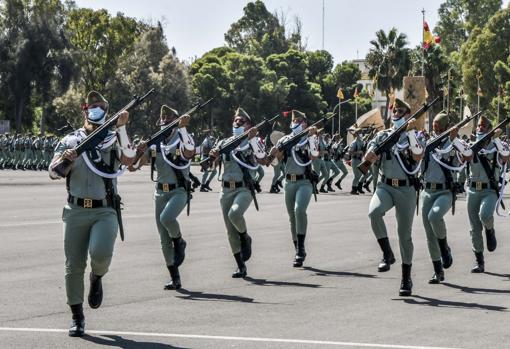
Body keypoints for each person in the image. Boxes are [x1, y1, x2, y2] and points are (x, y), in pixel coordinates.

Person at [49, 91, 136, 337]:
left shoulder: (112, 138)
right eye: (93, 106)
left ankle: (97, 277)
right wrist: (67, 160)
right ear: (84, 109)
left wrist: (122, 129)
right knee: (73, 266)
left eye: (102, 106)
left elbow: (129, 160)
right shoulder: (70, 140)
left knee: (101, 253)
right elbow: (53, 172)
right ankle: (77, 316)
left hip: (104, 209)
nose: (96, 109)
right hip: (75, 210)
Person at [364, 98, 424, 296]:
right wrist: (370, 154)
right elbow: (369, 152)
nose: (395, 114)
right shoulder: (382, 135)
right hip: (386, 186)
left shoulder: (415, 136)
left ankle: (406, 278)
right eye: (394, 111)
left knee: (404, 235)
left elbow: (417, 156)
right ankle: (387, 253)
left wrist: (409, 133)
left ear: (408, 115)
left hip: (406, 190)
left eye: (399, 111)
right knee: (373, 213)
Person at [131, 105, 195, 290]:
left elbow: (190, 152)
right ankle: (175, 278)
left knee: (166, 218)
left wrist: (183, 128)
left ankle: (179, 241)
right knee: (162, 237)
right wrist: (138, 152)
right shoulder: (155, 143)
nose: (164, 119)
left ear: (176, 121)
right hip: (160, 192)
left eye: (169, 117)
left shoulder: (182, 138)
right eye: (163, 117)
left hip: (179, 191)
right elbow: (134, 166)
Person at [208, 107, 268, 278]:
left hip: (244, 187)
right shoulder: (224, 142)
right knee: (229, 230)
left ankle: (245, 237)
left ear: (249, 125)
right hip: (225, 189)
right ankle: (240, 266)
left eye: (242, 121)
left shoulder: (253, 142)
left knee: (235, 214)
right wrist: (213, 156)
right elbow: (212, 163)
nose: (237, 123)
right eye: (235, 120)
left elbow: (263, 160)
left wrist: (254, 138)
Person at [268, 110, 319, 267]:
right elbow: (275, 161)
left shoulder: (309, 138)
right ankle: (298, 250)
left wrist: (311, 137)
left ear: (305, 123)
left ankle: (301, 247)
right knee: (292, 217)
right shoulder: (284, 140)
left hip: (304, 182)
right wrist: (274, 153)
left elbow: (314, 155)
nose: (297, 123)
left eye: (300, 120)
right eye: (295, 120)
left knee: (299, 210)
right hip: (289, 182)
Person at [465, 116, 509, 273]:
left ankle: (490, 230)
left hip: (489, 190)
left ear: (489, 129)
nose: (479, 129)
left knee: (485, 215)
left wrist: (496, 140)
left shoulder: (498, 146)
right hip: (472, 190)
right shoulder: (470, 145)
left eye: (483, 127)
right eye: (478, 126)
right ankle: (479, 261)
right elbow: (463, 158)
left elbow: (505, 158)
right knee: (474, 228)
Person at [420, 112, 458, 284]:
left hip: (444, 192)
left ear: (444, 126)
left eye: (437, 124)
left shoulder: (452, 144)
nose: (434, 126)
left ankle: (444, 247)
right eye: (433, 123)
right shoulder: (427, 142)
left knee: (434, 216)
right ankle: (438, 271)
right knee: (429, 234)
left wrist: (452, 140)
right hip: (427, 191)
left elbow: (460, 160)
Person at [349, 128, 365, 195]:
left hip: (360, 160)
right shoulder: (354, 142)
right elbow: (350, 152)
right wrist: (358, 152)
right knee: (356, 176)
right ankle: (353, 190)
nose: (361, 134)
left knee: (360, 175)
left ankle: (356, 188)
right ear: (357, 134)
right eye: (360, 133)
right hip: (355, 160)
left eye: (361, 132)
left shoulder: (361, 141)